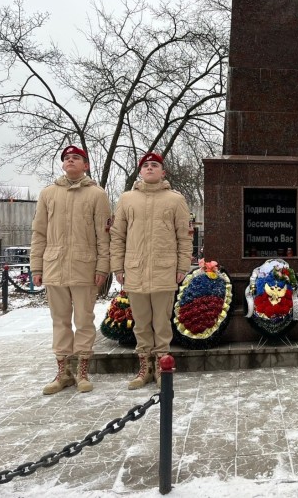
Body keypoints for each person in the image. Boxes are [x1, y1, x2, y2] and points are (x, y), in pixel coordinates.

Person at [31, 145, 111, 395]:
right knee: (60, 321)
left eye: (76, 158)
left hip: (84, 268)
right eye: (66, 158)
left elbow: (104, 236)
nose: (70, 161)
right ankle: (63, 372)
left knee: (84, 321)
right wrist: (37, 266)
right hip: (54, 267)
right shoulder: (48, 194)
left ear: (85, 165)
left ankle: (82, 371)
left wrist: (102, 267)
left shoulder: (97, 195)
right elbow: (39, 233)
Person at [110, 152, 193, 389]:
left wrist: (182, 267)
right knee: (141, 323)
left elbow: (184, 237)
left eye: (154, 165)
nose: (149, 168)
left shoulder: (176, 200)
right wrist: (118, 266)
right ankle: (144, 367)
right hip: (135, 271)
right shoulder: (127, 199)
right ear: (140, 171)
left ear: (163, 172)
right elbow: (117, 236)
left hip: (164, 271)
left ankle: (161, 367)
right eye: (145, 165)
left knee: (162, 322)